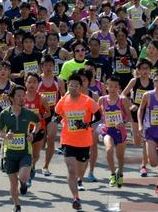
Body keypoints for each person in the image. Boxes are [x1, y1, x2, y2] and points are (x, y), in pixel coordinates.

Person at [54, 73, 101, 211]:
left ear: (80, 87)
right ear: (68, 85)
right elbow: (57, 114)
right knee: (70, 169)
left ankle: (80, 179)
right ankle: (76, 197)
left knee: (80, 169)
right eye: (71, 85)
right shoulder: (63, 100)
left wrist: (90, 125)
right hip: (68, 140)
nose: (73, 87)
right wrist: (55, 122)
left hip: (84, 141)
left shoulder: (87, 100)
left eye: (76, 85)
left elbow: (99, 116)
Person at [0, 84, 41, 212]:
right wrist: (6, 135)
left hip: (24, 152)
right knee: (12, 183)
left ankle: (24, 183)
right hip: (9, 153)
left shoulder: (28, 113)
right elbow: (0, 132)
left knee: (23, 176)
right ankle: (17, 206)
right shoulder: (4, 114)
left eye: (23, 95)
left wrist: (33, 134)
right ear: (11, 98)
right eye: (19, 95)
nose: (22, 98)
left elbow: (38, 124)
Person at [121, 58, 154, 177]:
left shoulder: (153, 82)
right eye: (142, 69)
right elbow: (123, 94)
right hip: (136, 112)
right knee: (137, 141)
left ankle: (143, 165)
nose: (145, 71)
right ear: (138, 70)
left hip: (149, 113)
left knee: (145, 140)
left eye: (147, 69)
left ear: (150, 70)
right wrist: (130, 105)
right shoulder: (134, 81)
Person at [98, 75, 131, 188]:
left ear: (119, 88)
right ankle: (112, 174)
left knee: (120, 156)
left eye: (115, 87)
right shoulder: (102, 100)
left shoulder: (123, 100)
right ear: (106, 87)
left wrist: (123, 122)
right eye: (110, 86)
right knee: (109, 150)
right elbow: (98, 115)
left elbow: (129, 117)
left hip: (120, 131)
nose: (112, 89)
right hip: (108, 130)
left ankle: (120, 173)